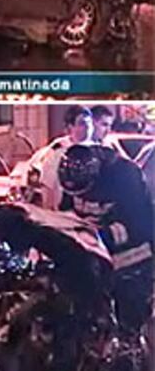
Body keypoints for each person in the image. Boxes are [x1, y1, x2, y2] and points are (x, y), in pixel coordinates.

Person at [58, 144, 153, 333]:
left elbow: (140, 226)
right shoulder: (74, 178)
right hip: (93, 255)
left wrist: (100, 237)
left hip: (131, 259)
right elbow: (65, 213)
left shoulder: (125, 178)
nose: (82, 197)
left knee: (127, 317)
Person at [39, 105, 95, 210]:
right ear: (70, 127)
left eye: (90, 123)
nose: (88, 127)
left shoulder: (98, 150)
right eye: (82, 123)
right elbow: (48, 186)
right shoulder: (58, 152)